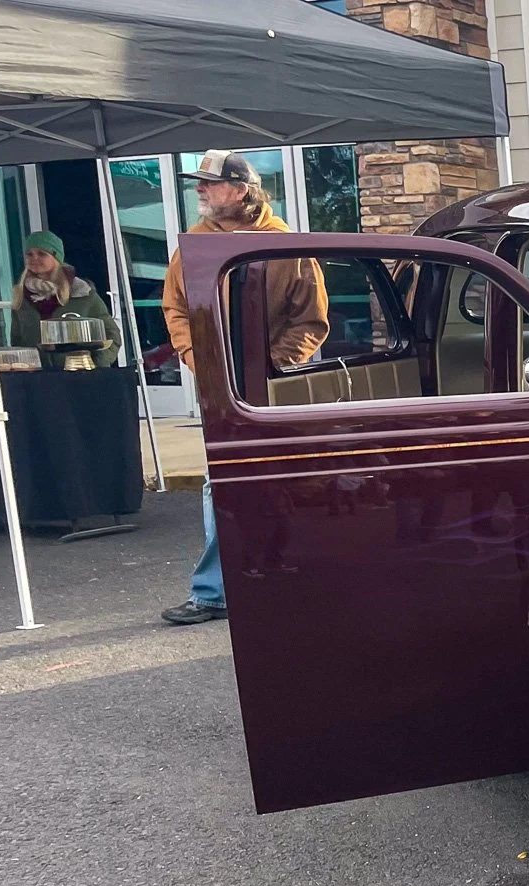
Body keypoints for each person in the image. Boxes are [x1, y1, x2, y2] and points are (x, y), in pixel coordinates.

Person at [158, 150, 328, 626]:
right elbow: (175, 310)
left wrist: (271, 369)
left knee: (281, 482)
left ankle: (284, 574)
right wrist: (201, 363)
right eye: (199, 184)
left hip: (271, 390)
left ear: (241, 189)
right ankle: (213, 593)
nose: (200, 190)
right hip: (218, 391)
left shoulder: (285, 244)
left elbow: (310, 320)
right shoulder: (193, 245)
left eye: (208, 183)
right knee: (222, 483)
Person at [8, 231, 120, 369]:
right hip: (37, 380)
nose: (34, 258)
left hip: (80, 377)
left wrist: (95, 364)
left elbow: (112, 337)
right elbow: (17, 341)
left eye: (42, 253)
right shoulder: (22, 295)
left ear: (56, 258)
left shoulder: (82, 293)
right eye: (29, 254)